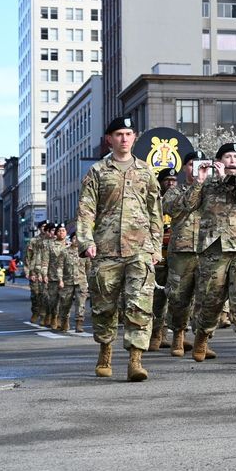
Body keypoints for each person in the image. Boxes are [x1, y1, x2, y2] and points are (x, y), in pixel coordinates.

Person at [76, 115, 163, 382]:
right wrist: (86, 241)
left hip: (140, 249)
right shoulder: (98, 172)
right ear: (109, 139)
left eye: (128, 134)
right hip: (106, 249)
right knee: (104, 306)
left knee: (140, 305)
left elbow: (155, 211)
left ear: (134, 137)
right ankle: (105, 350)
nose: (124, 139)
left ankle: (135, 360)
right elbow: (86, 209)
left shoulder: (146, 171)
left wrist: (156, 246)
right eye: (118, 135)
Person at [183, 143, 236, 363]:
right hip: (214, 248)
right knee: (210, 299)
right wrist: (199, 181)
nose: (232, 160)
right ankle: (202, 337)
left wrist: (227, 179)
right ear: (219, 161)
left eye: (235, 156)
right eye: (228, 156)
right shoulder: (208, 184)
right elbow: (187, 206)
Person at [163, 152, 207, 357]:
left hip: (207, 250)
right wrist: (197, 184)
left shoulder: (211, 190)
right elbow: (177, 207)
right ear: (184, 168)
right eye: (190, 164)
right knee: (179, 297)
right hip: (182, 251)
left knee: (206, 298)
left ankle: (202, 340)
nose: (194, 168)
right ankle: (178, 335)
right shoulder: (174, 191)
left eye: (199, 164)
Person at [148, 168, 177, 351]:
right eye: (167, 180)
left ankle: (169, 335)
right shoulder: (153, 200)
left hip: (175, 255)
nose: (171, 183)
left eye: (174, 180)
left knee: (176, 298)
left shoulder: (180, 199)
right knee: (158, 299)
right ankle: (155, 335)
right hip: (158, 257)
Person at [61, 232, 89, 333]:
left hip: (81, 282)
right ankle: (65, 320)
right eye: (74, 238)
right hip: (67, 282)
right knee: (65, 303)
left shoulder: (85, 253)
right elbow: (60, 267)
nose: (76, 241)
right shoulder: (64, 252)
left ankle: (79, 323)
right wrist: (60, 280)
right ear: (71, 240)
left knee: (81, 304)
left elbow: (88, 268)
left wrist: (89, 281)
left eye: (78, 239)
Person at [24, 222, 47, 323]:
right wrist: (28, 272)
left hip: (47, 272)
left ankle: (43, 315)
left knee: (45, 295)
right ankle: (35, 312)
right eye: (42, 227)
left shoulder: (50, 241)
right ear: (39, 228)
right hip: (35, 271)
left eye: (46, 227)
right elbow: (27, 258)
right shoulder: (33, 241)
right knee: (35, 294)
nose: (44, 229)